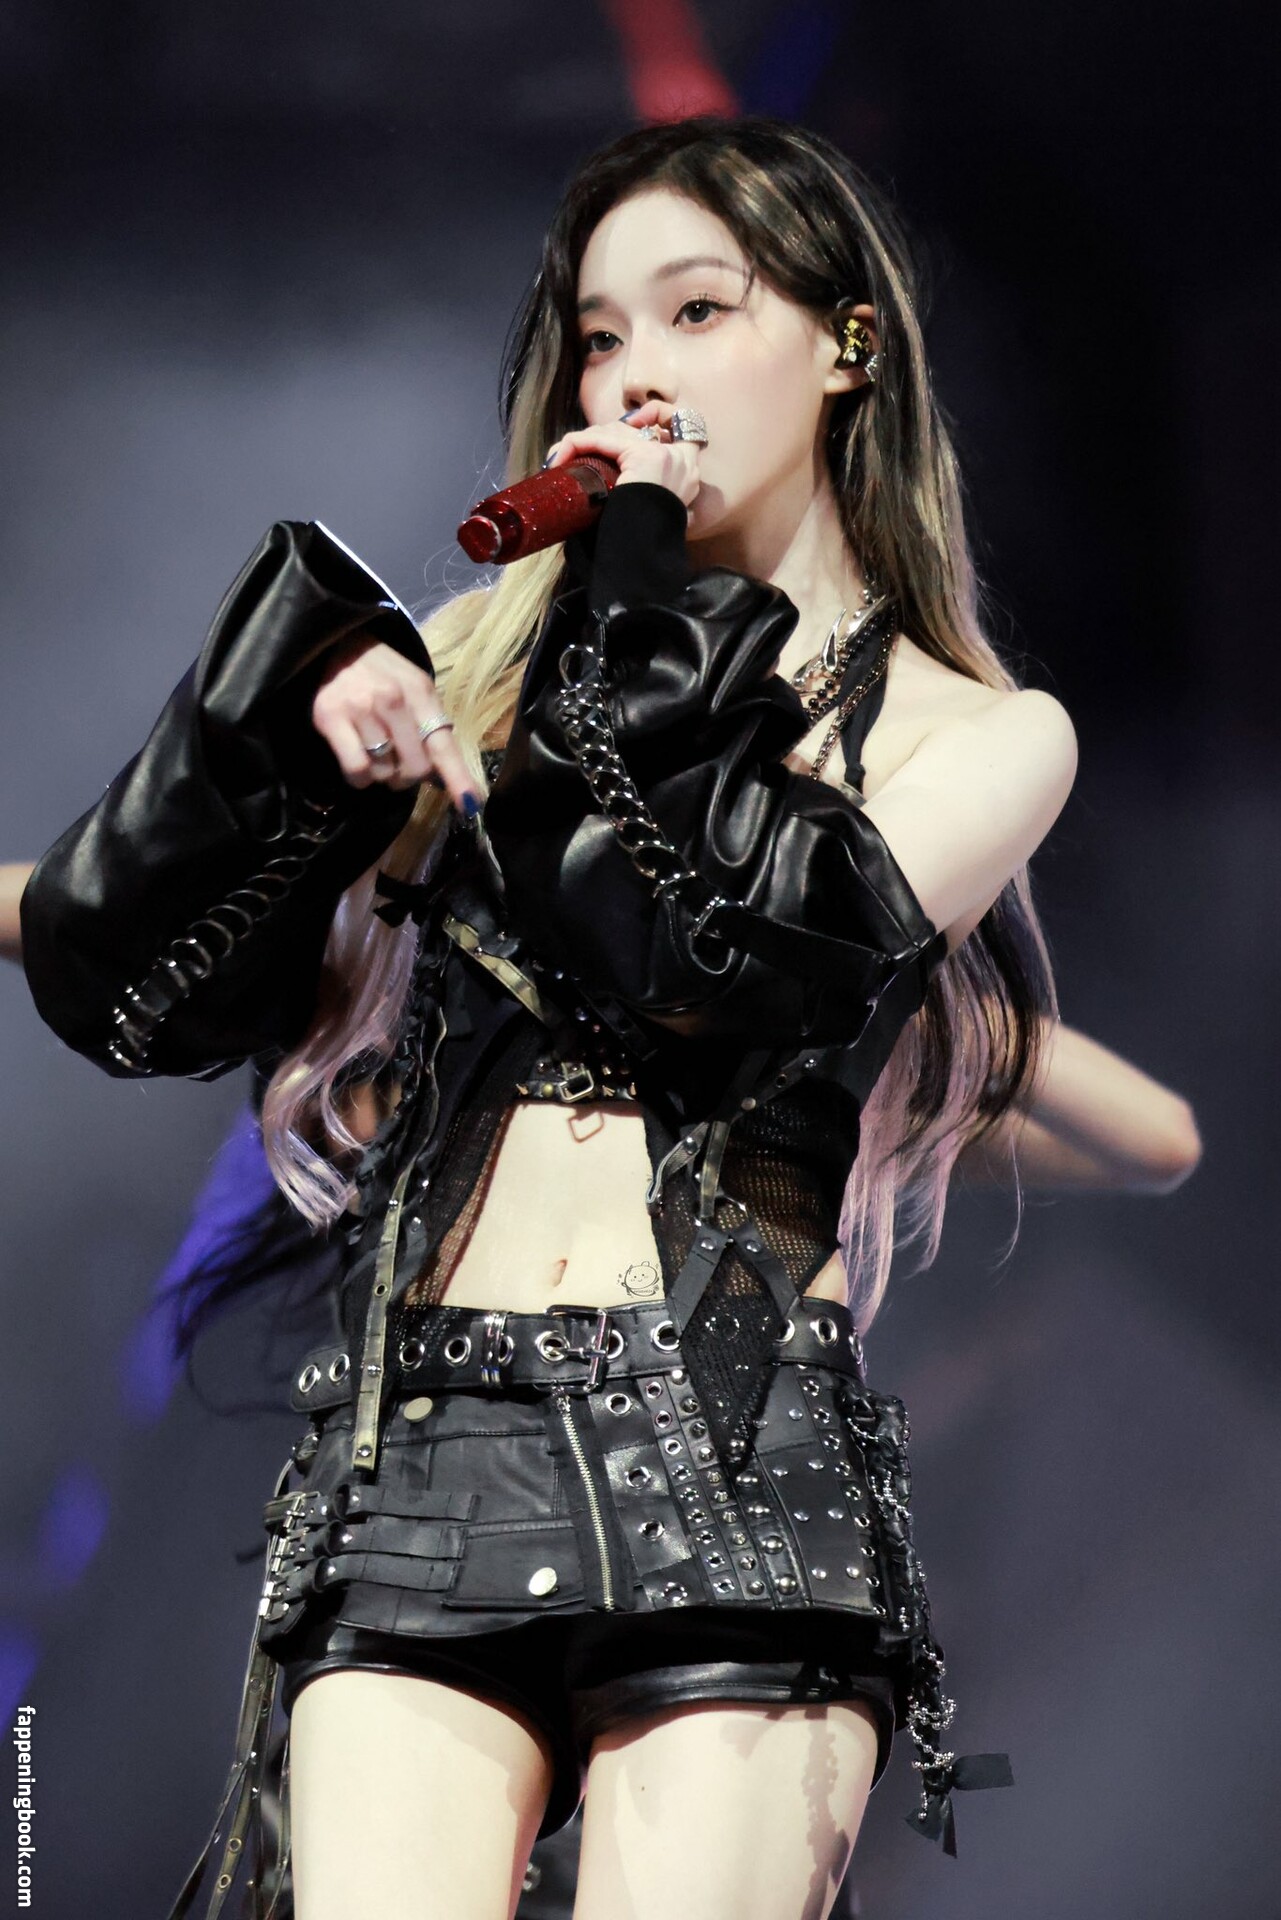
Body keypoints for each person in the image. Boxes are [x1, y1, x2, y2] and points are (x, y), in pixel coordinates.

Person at [18, 116, 1199, 1920]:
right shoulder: (484, 684)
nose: (636, 374)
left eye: (696, 311)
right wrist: (289, 763)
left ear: (847, 344)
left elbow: (712, 948)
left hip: (721, 1457)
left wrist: (636, 559)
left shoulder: (979, 734)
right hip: (422, 1449)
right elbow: (123, 964)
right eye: (597, 335)